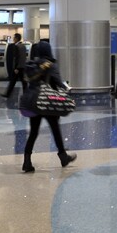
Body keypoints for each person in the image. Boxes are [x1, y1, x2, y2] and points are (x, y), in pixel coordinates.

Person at [18, 40, 76, 173]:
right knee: (55, 129)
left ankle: (27, 161)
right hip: (48, 102)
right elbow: (58, 82)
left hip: (34, 102)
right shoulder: (51, 64)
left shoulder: (33, 65)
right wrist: (67, 88)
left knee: (33, 132)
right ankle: (63, 157)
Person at [0, 33, 28, 98]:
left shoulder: (16, 46)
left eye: (14, 37)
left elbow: (16, 58)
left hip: (18, 67)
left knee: (13, 81)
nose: (13, 39)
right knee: (23, 82)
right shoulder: (23, 46)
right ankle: (26, 94)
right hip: (22, 66)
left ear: (16, 38)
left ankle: (7, 94)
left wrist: (16, 68)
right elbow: (23, 57)